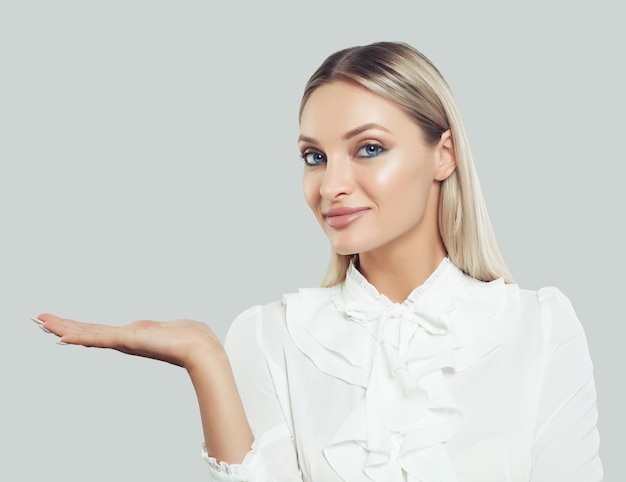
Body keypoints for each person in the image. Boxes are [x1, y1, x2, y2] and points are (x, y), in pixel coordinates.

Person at [32, 41, 603, 481]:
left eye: (368, 149)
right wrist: (206, 359)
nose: (330, 185)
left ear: (443, 155)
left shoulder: (541, 328)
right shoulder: (269, 335)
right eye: (314, 157)